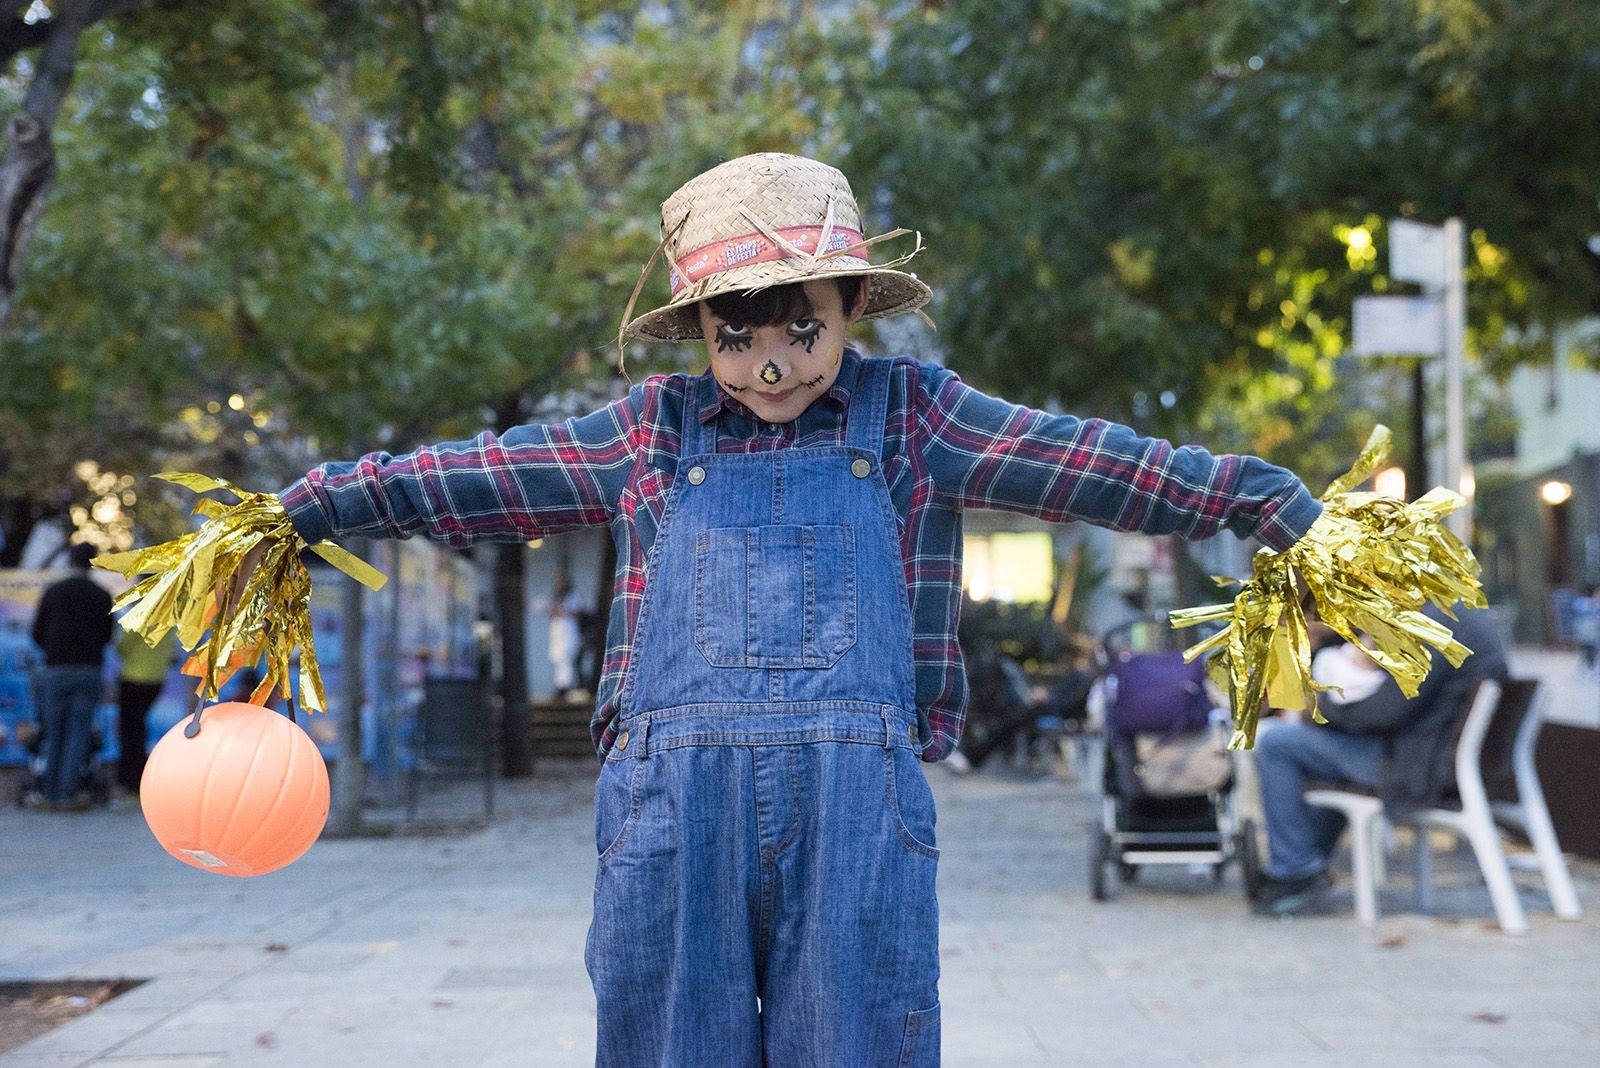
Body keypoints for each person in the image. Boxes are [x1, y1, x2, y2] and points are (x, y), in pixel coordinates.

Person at [238, 153, 1324, 1064]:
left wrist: (1272, 506)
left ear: (853, 303)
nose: (765, 366)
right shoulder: (649, 431)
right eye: (733, 337)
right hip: (670, 821)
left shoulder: (917, 418)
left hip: (859, 811)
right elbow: (473, 479)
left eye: (799, 332)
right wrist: (309, 512)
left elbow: (1100, 465)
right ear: (697, 324)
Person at [1251, 601, 1509, 916]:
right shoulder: (1464, 614)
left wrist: (1318, 708)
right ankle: (1302, 863)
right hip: (1435, 757)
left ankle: (1296, 868)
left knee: (1277, 743)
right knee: (1317, 748)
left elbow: (1386, 712)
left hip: (1415, 765)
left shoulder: (1438, 623)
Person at [28, 541, 115, 810]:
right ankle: (67, 794)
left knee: (53, 733)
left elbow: (37, 632)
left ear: (69, 561)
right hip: (88, 670)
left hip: (55, 670)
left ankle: (49, 794)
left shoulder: (54, 592)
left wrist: (54, 653)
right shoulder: (101, 595)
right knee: (78, 733)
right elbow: (107, 635)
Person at [113, 625, 178, 805]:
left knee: (129, 733)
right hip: (157, 677)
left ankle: (130, 782)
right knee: (138, 730)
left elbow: (122, 647)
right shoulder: (167, 616)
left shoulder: (142, 613)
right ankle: (138, 780)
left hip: (134, 676)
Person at [548, 571, 584, 699]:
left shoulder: (573, 596)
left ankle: (565, 687)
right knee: (559, 661)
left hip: (568, 632)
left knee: (566, 660)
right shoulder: (556, 597)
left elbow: (578, 612)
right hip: (557, 633)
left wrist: (563, 611)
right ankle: (560, 686)